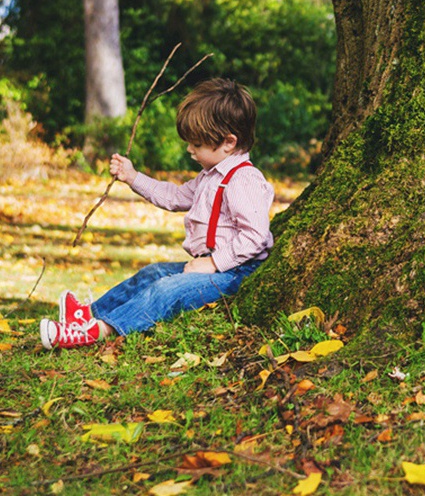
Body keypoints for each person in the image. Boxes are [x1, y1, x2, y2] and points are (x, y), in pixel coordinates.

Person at [40, 78, 274, 349]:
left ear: (228, 142)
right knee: (153, 273)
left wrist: (212, 264)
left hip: (236, 273)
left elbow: (255, 235)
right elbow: (174, 197)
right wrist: (133, 176)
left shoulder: (244, 180)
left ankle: (97, 331)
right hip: (211, 266)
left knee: (167, 290)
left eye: (197, 144)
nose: (189, 149)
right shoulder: (209, 176)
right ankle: (86, 315)